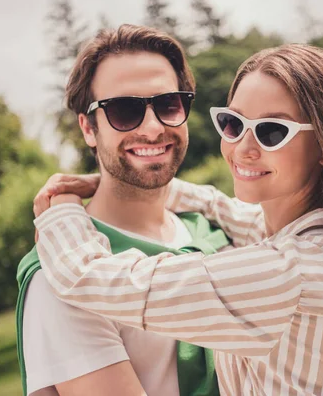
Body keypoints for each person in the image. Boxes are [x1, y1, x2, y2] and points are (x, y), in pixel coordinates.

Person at [34, 44, 323, 395]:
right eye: (233, 124)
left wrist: (60, 208)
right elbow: (232, 212)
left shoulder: (288, 272)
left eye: (271, 131)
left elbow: (88, 276)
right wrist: (117, 177)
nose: (243, 149)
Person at [17, 24, 228, 396]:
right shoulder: (63, 278)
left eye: (168, 104)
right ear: (87, 128)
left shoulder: (216, 232)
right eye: (124, 110)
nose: (152, 127)